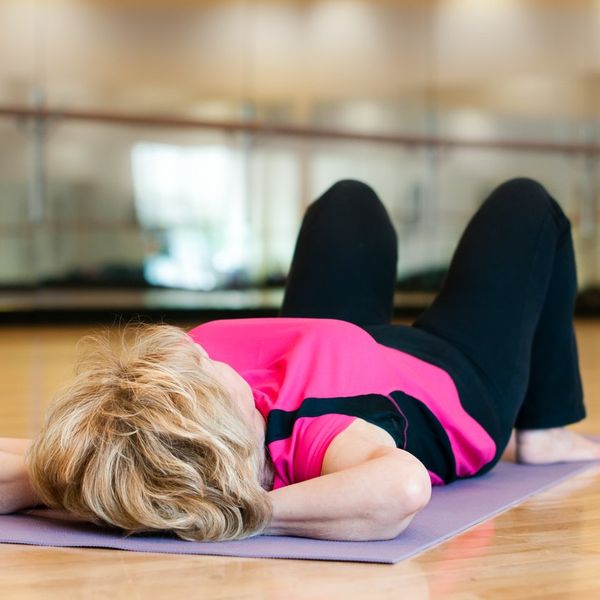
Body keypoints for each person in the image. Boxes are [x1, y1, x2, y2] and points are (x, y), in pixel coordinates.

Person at [2, 178, 600, 543]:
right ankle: (545, 429)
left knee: (347, 205)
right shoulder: (309, 437)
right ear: (235, 432)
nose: (201, 355)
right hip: (456, 378)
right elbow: (401, 489)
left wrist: (72, 476)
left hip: (338, 342)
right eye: (210, 376)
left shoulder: (136, 434)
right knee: (527, 207)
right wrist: (234, 513)